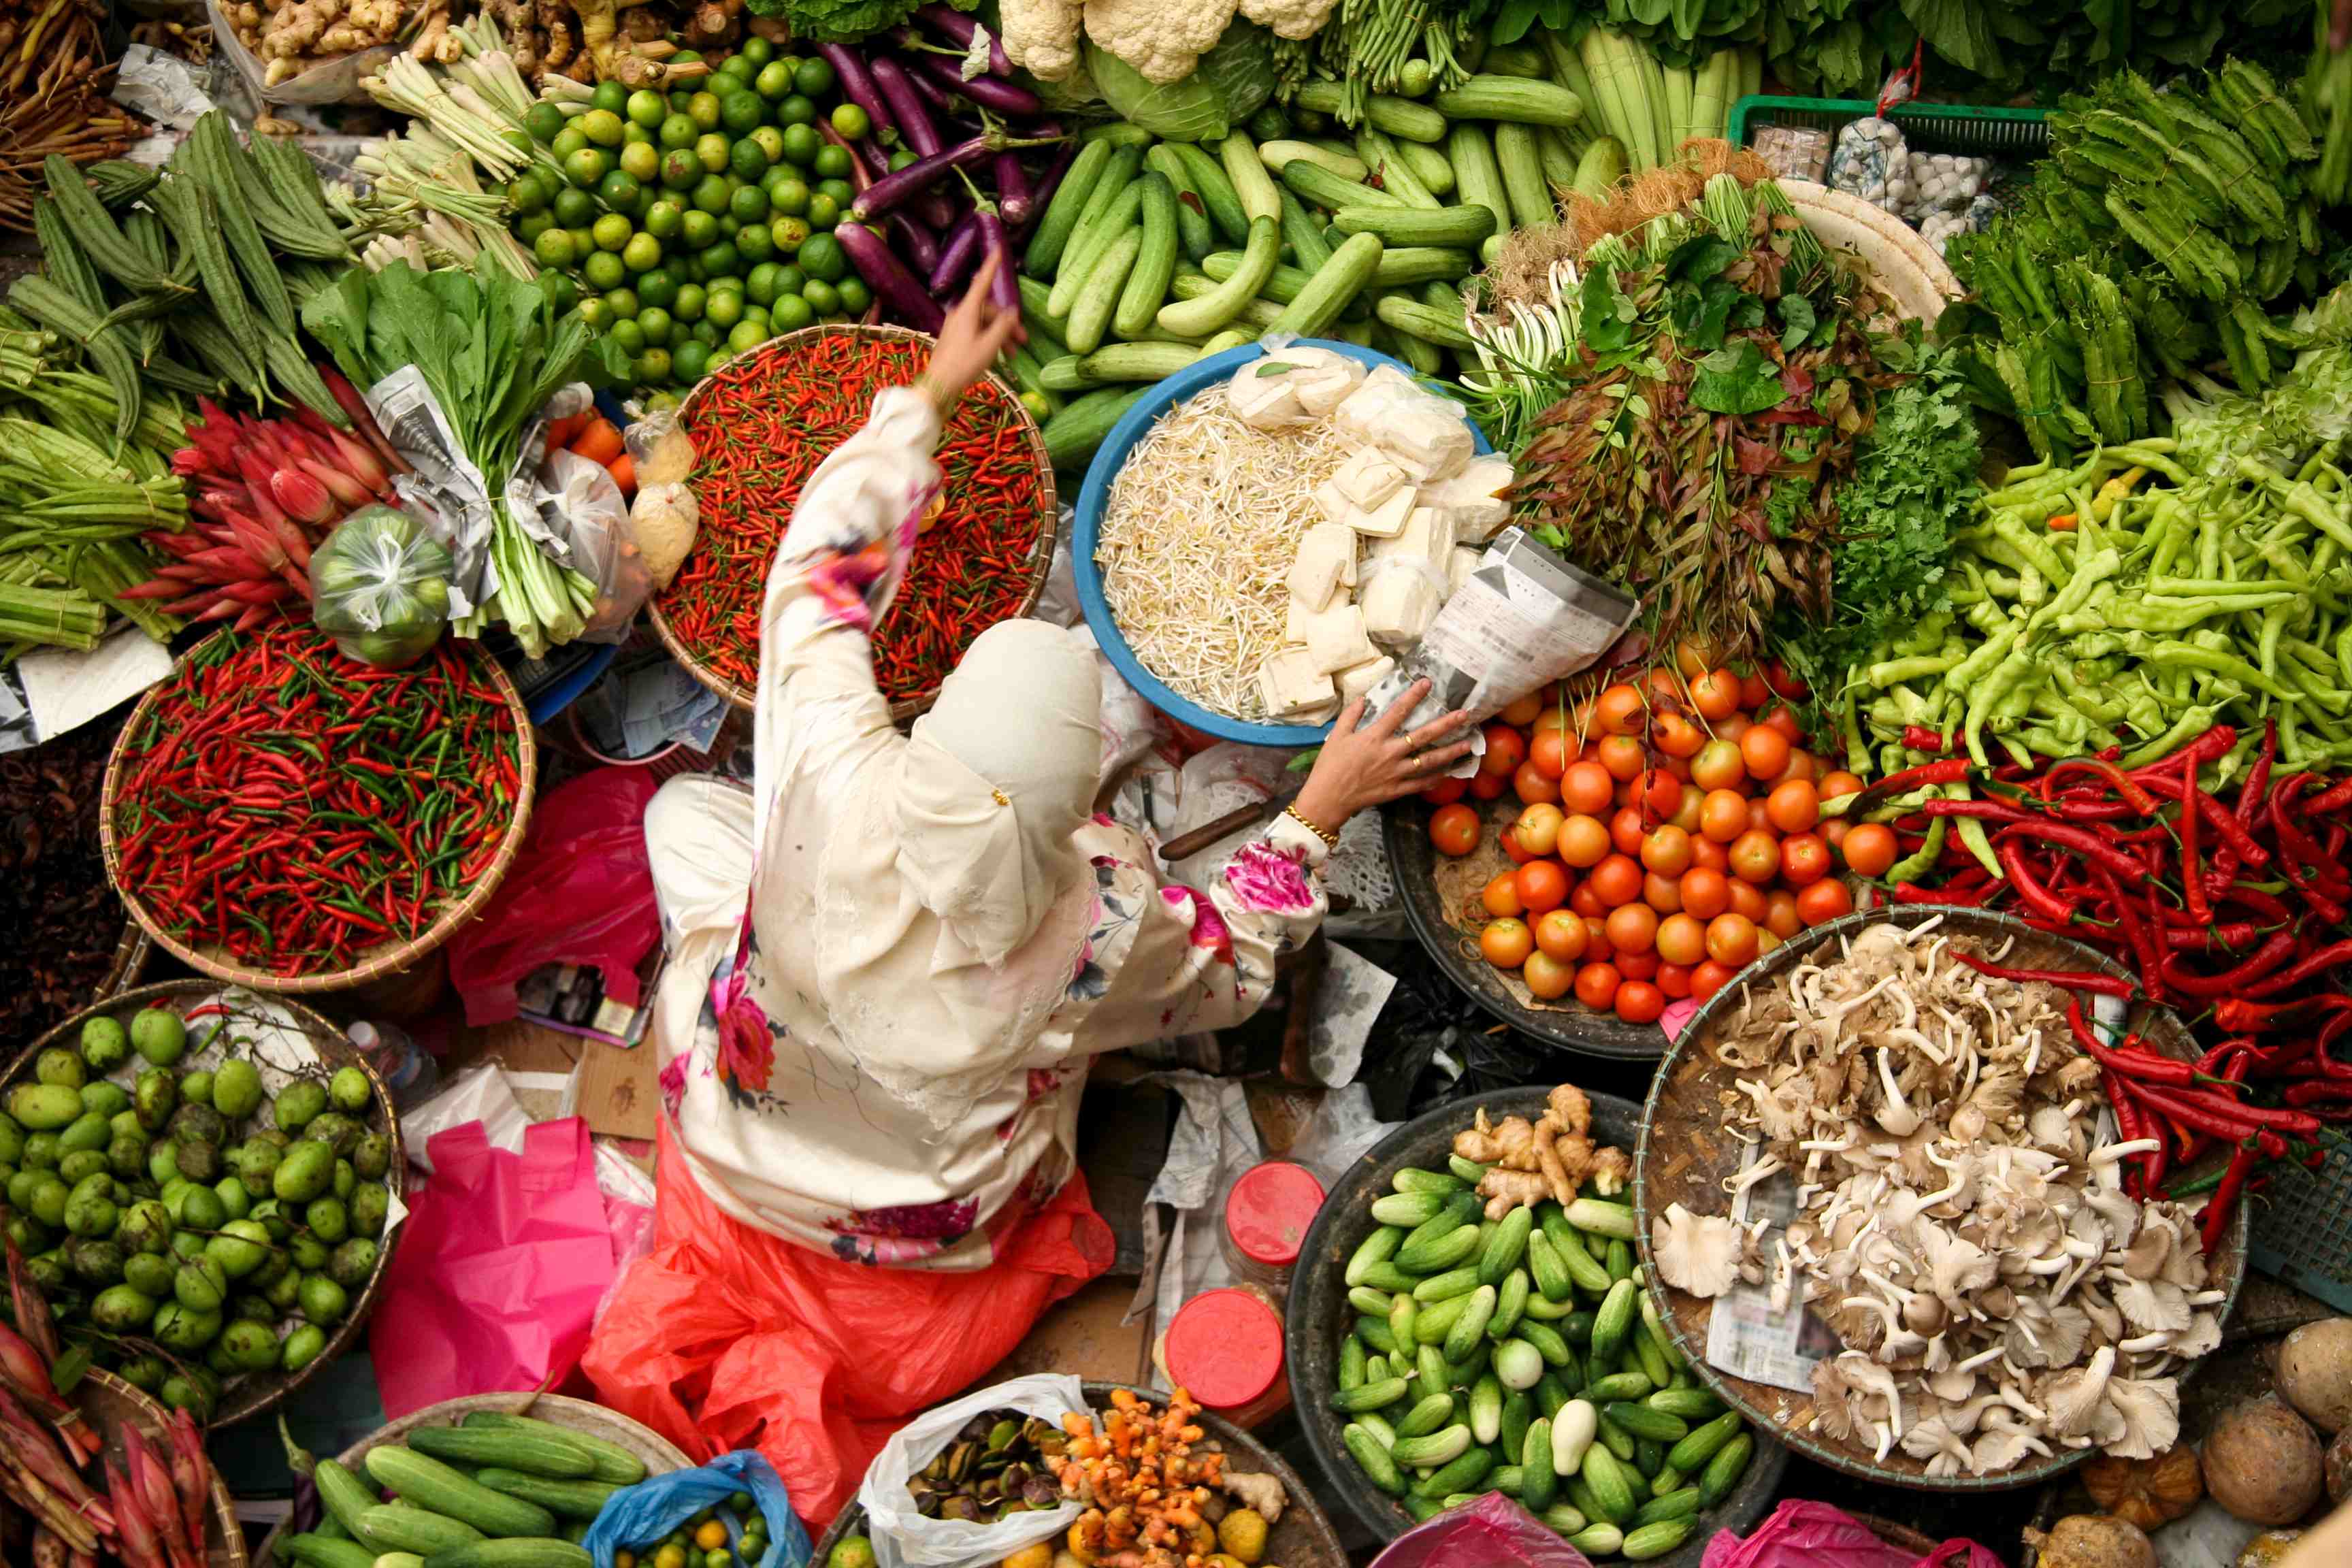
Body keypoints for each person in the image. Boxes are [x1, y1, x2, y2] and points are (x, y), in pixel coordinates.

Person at [583, 258, 1475, 1526]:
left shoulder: (831, 762)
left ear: (930, 730)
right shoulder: (1093, 929)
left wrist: (924, 399)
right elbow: (1232, 961)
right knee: (1105, 1026)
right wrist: (1322, 805)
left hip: (736, 1117)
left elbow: (817, 582)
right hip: (916, 1216)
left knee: (687, 815)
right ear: (1077, 814)